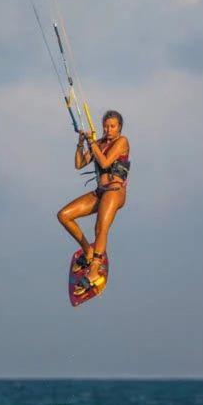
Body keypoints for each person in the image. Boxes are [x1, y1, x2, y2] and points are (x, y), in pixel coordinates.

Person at [57, 110, 130, 293]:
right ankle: (88, 251)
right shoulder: (98, 143)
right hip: (100, 191)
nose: (108, 129)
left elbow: (105, 163)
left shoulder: (122, 142)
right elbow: (79, 164)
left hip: (115, 191)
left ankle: (95, 271)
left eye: (112, 126)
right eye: (105, 126)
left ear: (119, 127)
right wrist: (81, 143)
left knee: (100, 228)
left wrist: (92, 143)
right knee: (64, 215)